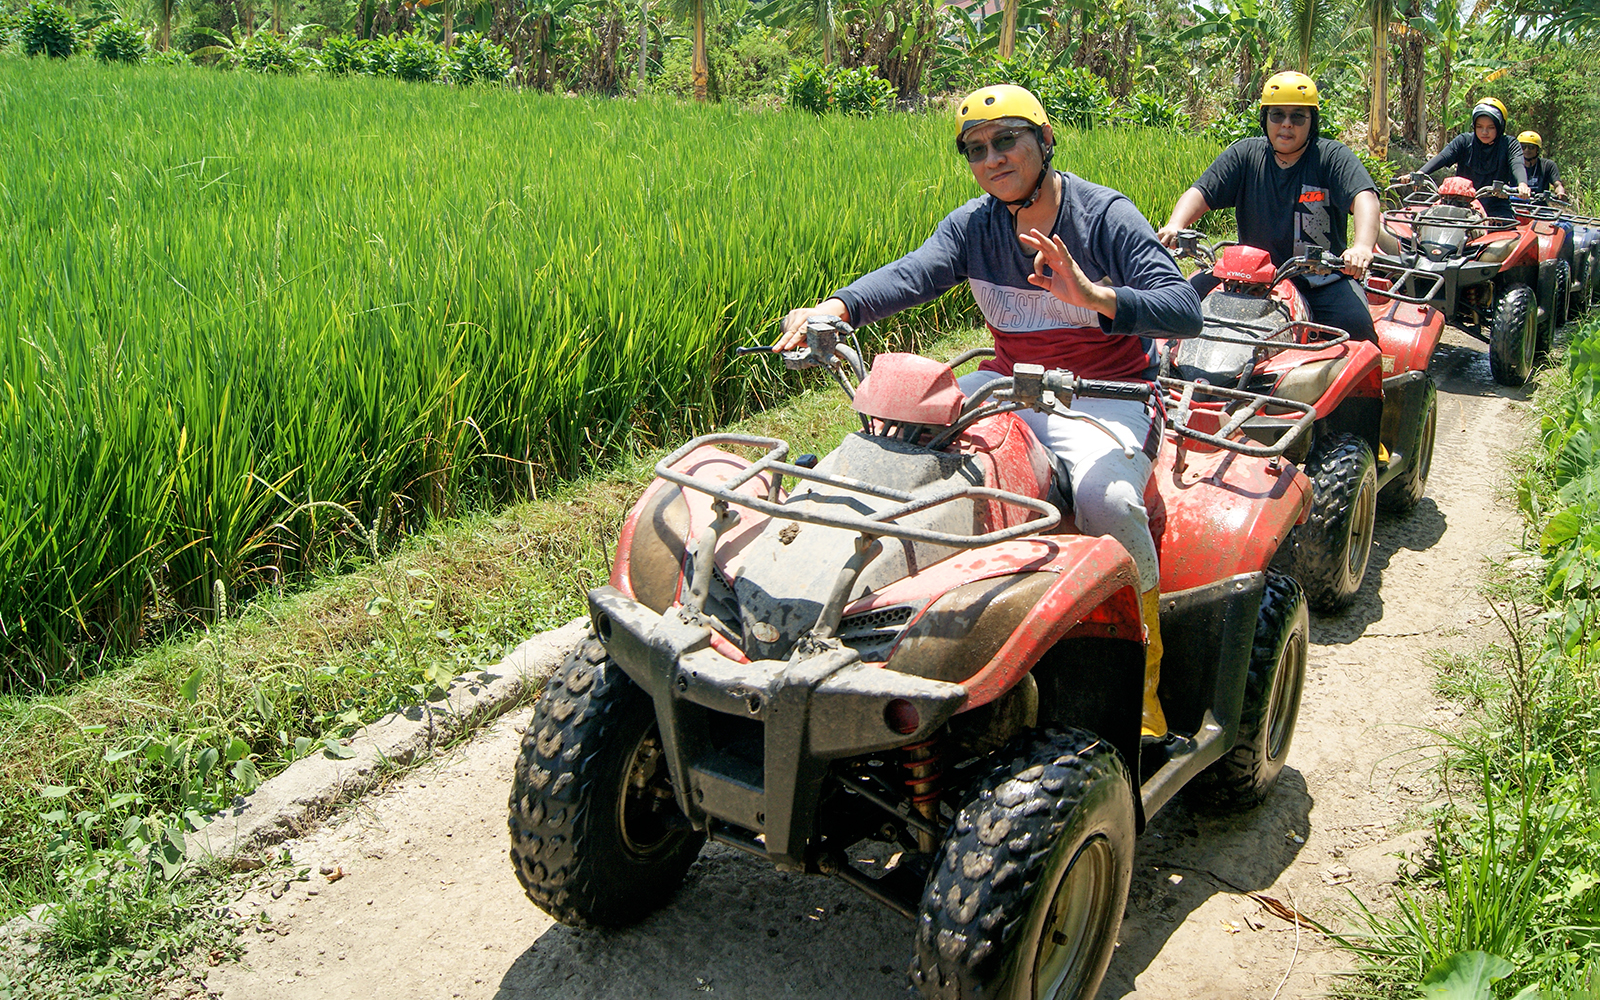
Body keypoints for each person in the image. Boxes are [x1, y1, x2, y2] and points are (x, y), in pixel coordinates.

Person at [775, 84, 1202, 741]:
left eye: (1007, 140)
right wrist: (836, 309)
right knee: (900, 448)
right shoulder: (973, 226)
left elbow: (1184, 306)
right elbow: (915, 272)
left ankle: (1142, 670)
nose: (994, 158)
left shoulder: (1105, 216)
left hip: (1107, 393)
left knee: (1107, 500)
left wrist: (1092, 294)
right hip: (1010, 382)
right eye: (977, 149)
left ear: (1044, 141)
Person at [1156, 71, 1381, 343]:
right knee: (1175, 305)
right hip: (1247, 278)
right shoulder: (1245, 154)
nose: (1287, 124)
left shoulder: (1332, 157)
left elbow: (1364, 197)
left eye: (1298, 116)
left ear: (1312, 122)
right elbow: (1201, 192)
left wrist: (1361, 247)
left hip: (1318, 278)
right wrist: (1176, 224)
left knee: (1357, 330)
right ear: (1265, 119)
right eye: (1278, 115)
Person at [1412, 98, 1530, 218]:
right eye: (1479, 126)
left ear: (1500, 127)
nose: (1484, 132)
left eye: (1491, 127)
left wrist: (1522, 184)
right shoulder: (1464, 141)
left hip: (1496, 206)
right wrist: (1420, 173)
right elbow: (1443, 157)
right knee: (1419, 222)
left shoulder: (1509, 144)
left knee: (1509, 233)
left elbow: (1517, 164)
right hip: (1458, 203)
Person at [1519, 131, 1568, 200]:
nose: (1527, 150)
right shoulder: (1512, 165)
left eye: (1531, 147)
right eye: (1523, 147)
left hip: (1540, 204)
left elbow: (1557, 184)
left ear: (1537, 149)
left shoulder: (1547, 165)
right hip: (1515, 203)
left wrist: (1560, 193)